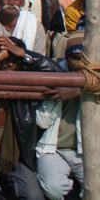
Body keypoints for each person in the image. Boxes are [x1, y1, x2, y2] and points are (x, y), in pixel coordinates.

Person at [0, 36, 60, 200]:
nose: (9, 63)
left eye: (14, 59)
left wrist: (24, 54)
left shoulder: (30, 81)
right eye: (6, 58)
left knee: (34, 196)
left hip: (17, 153)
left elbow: (58, 73)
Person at [35, 33, 85, 200]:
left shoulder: (94, 81)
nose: (80, 64)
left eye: (84, 58)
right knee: (54, 189)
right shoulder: (53, 74)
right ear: (67, 58)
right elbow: (41, 122)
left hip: (86, 151)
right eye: (75, 58)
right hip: (53, 150)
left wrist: (80, 92)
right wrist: (60, 96)